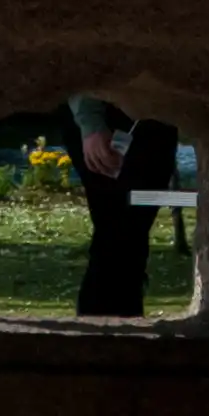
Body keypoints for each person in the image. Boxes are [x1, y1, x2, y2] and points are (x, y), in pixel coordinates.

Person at [67, 93, 178, 318]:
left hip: (155, 122)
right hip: (106, 120)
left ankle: (118, 328)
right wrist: (91, 124)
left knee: (130, 237)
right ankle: (103, 329)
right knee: (117, 234)